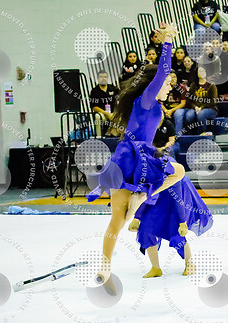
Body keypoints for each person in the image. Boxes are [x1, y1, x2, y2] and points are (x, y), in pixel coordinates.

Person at [86, 23, 185, 290]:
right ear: (155, 84)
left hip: (126, 159)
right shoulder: (147, 100)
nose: (169, 88)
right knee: (178, 172)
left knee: (118, 221)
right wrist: (167, 40)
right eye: (167, 84)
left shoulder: (151, 106)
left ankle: (105, 267)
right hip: (134, 157)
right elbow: (162, 70)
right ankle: (142, 196)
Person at [128, 126, 213, 278]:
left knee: (176, 234)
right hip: (158, 198)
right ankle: (156, 268)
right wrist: (137, 218)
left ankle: (190, 263)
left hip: (177, 199)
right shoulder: (142, 169)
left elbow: (178, 198)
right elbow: (145, 194)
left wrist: (182, 222)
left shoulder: (169, 168)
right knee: (146, 230)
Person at [185, 66, 219, 135]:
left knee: (201, 115)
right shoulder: (193, 85)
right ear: (197, 73)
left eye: (203, 71)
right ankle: (188, 135)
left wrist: (202, 107)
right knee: (188, 116)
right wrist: (195, 107)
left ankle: (201, 135)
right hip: (195, 108)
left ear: (206, 73)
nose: (201, 73)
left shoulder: (211, 85)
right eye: (200, 71)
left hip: (210, 109)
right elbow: (189, 100)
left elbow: (213, 101)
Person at [89, 70, 120, 137]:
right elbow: (94, 107)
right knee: (97, 116)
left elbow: (119, 102)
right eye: (101, 77)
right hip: (102, 114)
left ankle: (118, 137)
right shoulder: (94, 91)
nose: (103, 78)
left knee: (122, 116)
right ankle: (99, 137)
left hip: (114, 113)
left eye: (105, 77)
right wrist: (106, 114)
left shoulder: (113, 89)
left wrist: (114, 113)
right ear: (97, 79)